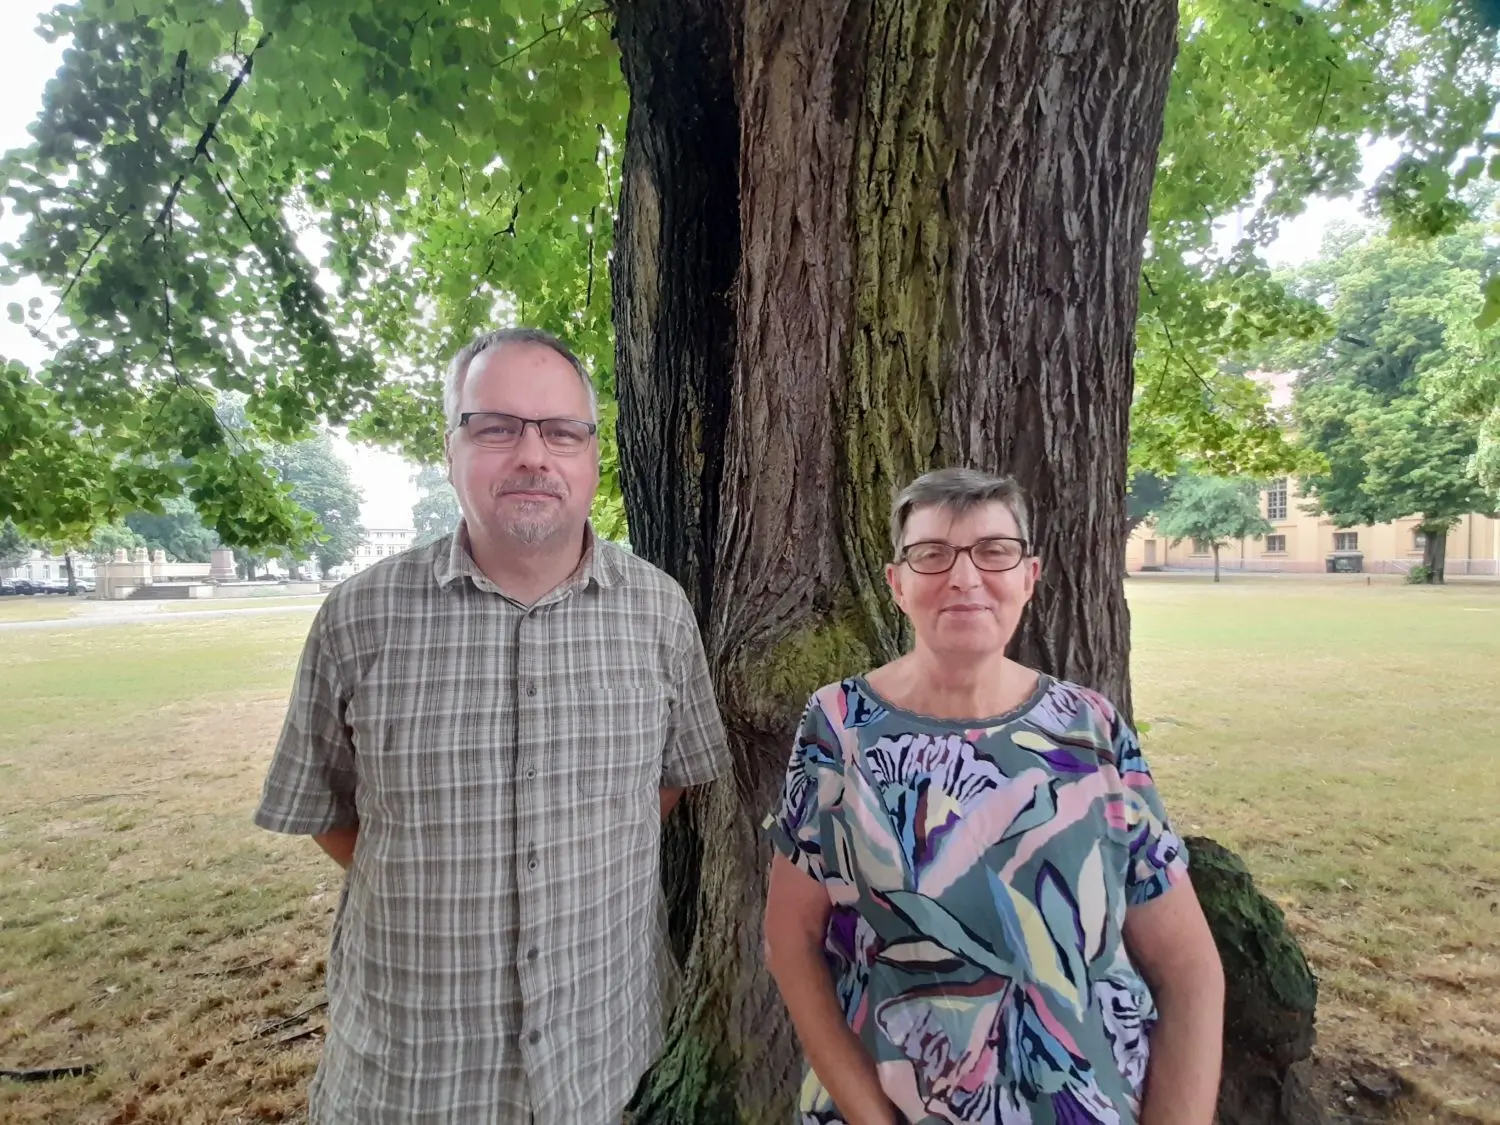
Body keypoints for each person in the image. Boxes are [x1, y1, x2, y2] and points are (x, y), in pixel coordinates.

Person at [255, 327, 731, 1124]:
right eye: (497, 427)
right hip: (413, 1078)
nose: (532, 454)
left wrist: (585, 853)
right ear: (451, 451)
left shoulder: (660, 610)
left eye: (560, 431)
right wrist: (437, 880)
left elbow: (674, 775)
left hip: (606, 1064)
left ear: (591, 455)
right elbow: (327, 811)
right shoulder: (358, 617)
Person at [762, 467, 1224, 1125]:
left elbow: (1189, 966)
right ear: (897, 584)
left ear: (1029, 576)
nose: (964, 576)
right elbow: (789, 935)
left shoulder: (1089, 728)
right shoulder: (839, 725)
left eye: (994, 551)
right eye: (932, 554)